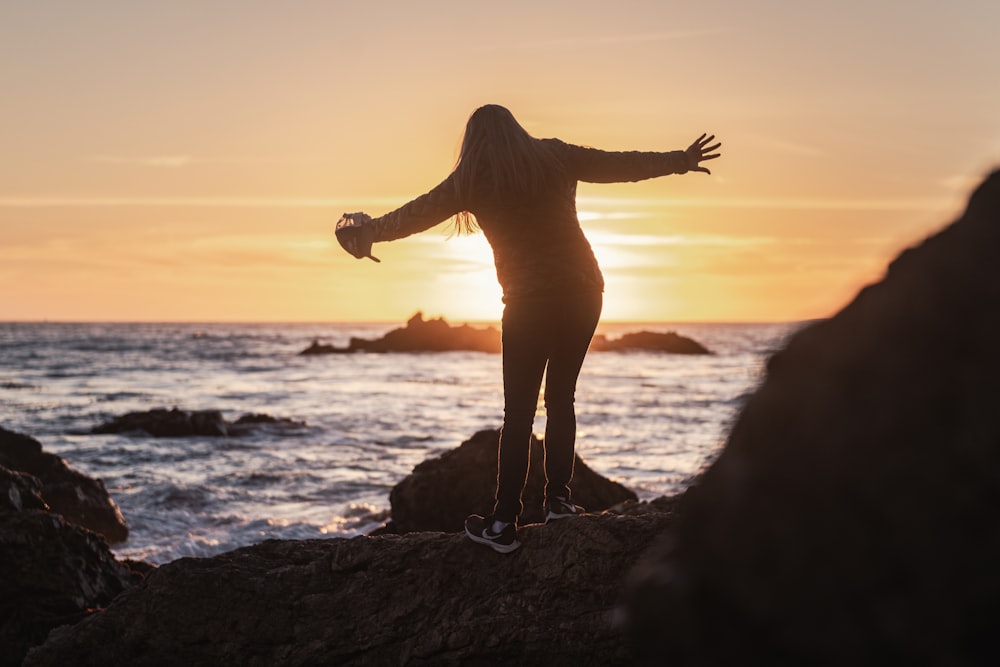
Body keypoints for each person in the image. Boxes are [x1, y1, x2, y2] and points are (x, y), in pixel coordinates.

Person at [336, 104, 721, 553]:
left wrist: (364, 233)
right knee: (561, 399)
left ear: (474, 141)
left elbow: (413, 215)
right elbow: (619, 164)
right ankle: (558, 501)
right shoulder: (555, 155)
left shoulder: (472, 178)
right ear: (516, 130)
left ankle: (504, 524)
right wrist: (679, 160)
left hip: (529, 303)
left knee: (517, 415)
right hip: (584, 292)